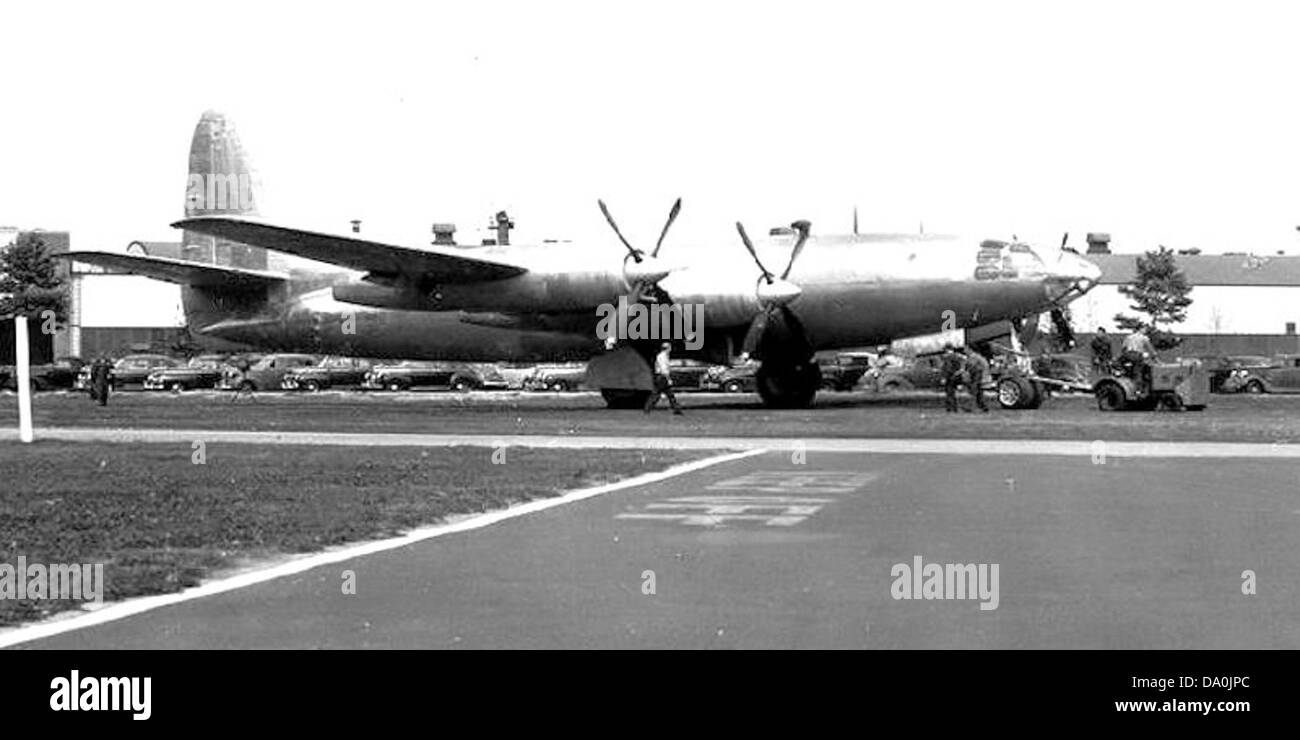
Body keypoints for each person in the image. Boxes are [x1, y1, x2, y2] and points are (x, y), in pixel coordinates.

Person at [644, 342, 683, 415]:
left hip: (661, 377)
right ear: (667, 348)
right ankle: (647, 408)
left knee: (668, 394)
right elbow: (664, 369)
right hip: (662, 377)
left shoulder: (663, 356)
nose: (671, 349)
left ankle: (676, 409)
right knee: (658, 394)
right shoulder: (662, 357)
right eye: (670, 347)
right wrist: (668, 379)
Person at [962, 347, 990, 412]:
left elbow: (972, 366)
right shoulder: (975, 357)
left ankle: (969, 407)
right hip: (976, 376)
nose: (964, 351)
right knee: (978, 393)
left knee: (973, 391)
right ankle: (983, 407)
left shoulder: (975, 357)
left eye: (966, 349)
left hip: (977, 376)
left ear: (970, 349)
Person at [940, 344, 966, 413]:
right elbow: (959, 368)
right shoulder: (957, 357)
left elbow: (947, 369)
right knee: (953, 394)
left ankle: (950, 408)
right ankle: (954, 408)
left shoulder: (948, 358)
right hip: (956, 377)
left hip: (950, 378)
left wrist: (944, 377)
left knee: (949, 393)